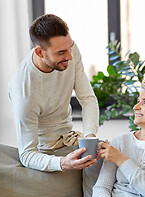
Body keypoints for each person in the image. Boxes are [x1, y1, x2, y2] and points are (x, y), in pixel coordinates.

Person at [8, 14, 100, 172]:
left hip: (70, 138)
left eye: (70, 47)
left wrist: (90, 137)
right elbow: (27, 154)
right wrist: (62, 163)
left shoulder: (69, 50)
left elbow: (87, 99)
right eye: (61, 53)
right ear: (39, 52)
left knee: (108, 160)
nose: (70, 56)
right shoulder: (24, 90)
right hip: (45, 151)